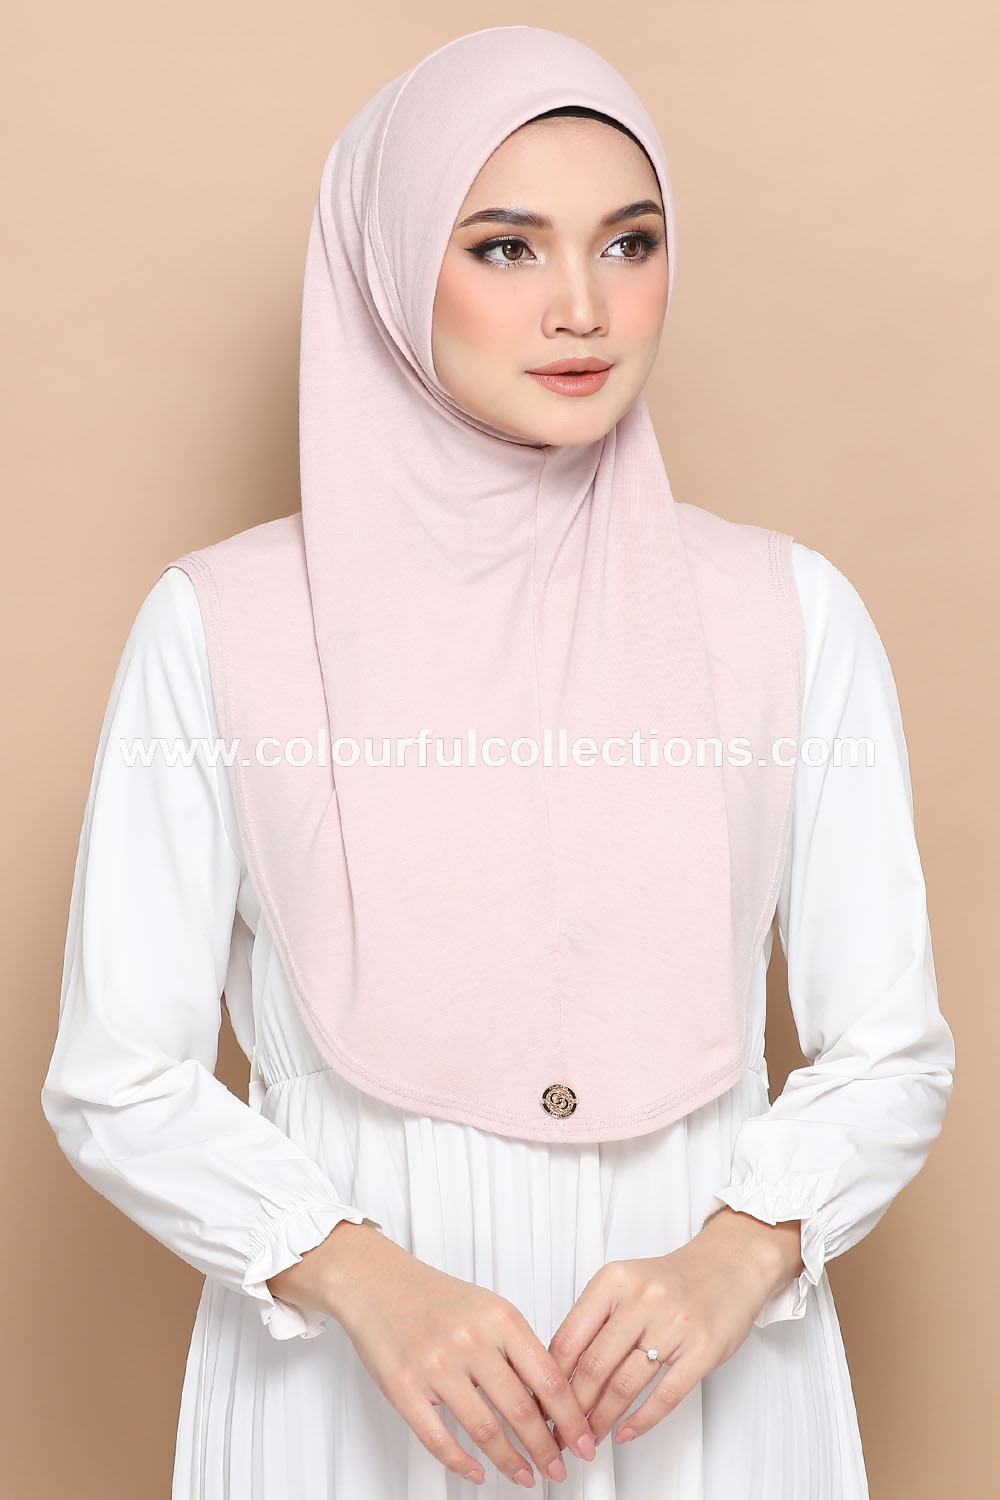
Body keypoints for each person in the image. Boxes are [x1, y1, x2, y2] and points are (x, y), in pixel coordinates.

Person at [40, 24, 956, 1500]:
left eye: (630, 243)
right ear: (395, 264)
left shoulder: (787, 614)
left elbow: (890, 1049)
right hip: (355, 1393)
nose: (583, 307)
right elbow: (118, 1076)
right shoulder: (222, 627)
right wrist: (360, 1277)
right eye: (507, 247)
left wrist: (740, 1255)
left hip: (706, 1392)